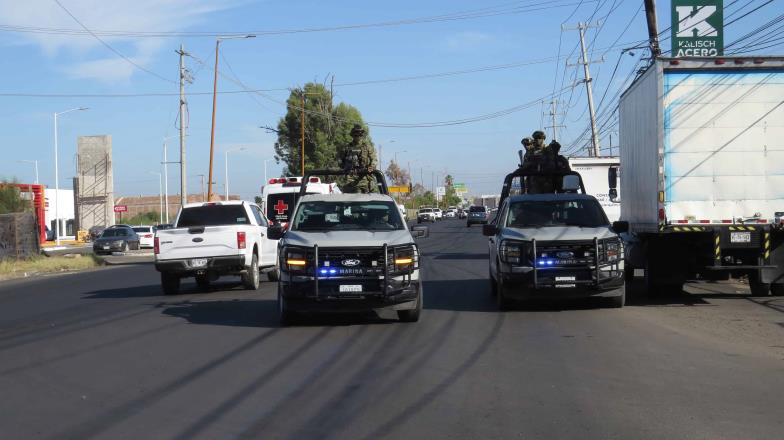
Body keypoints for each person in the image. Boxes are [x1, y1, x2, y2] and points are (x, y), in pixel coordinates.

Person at [341, 124, 378, 193]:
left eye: (360, 135)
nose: (358, 136)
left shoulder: (367, 146)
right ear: (353, 135)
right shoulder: (347, 147)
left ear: (362, 135)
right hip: (350, 177)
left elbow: (374, 159)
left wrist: (371, 167)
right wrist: (344, 168)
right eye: (356, 134)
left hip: (363, 176)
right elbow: (341, 161)